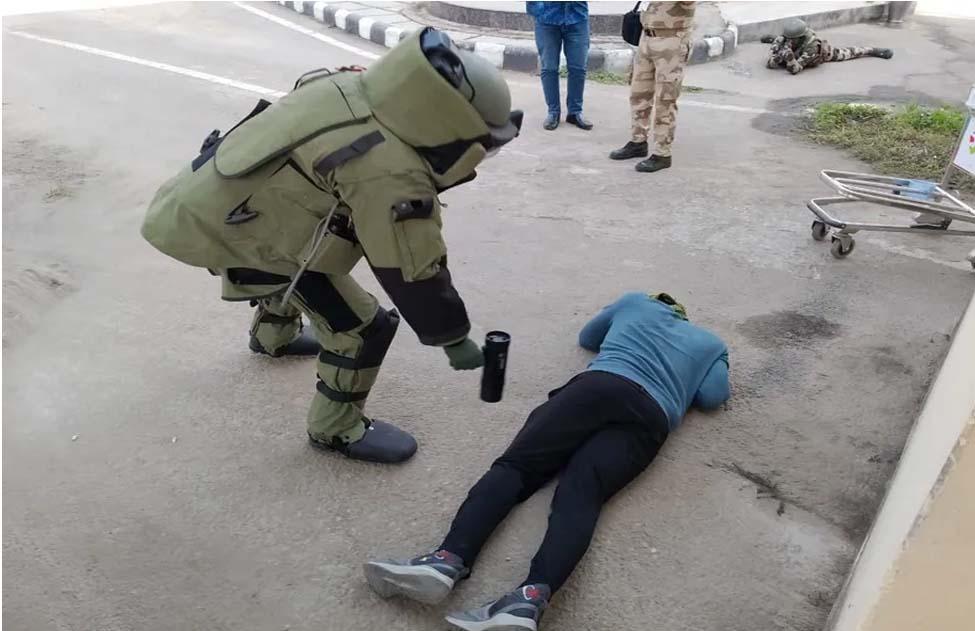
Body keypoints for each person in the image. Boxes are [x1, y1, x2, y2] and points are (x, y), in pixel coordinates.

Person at [141, 28, 523, 464]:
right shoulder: (390, 170)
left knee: (301, 258)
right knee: (363, 328)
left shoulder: (350, 83)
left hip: (208, 202)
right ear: (444, 123)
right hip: (234, 231)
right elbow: (411, 266)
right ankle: (336, 428)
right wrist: (453, 338)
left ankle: (272, 336)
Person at [364, 291, 730, 631]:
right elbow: (713, 397)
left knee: (517, 468)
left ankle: (447, 559)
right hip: (652, 416)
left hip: (597, 387)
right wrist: (706, 366)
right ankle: (528, 600)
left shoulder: (637, 302)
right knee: (582, 495)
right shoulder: (712, 344)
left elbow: (588, 337)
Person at [610, 1, 695, 173]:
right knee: (638, 94)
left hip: (672, 40)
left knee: (666, 99)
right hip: (647, 37)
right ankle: (638, 141)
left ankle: (662, 153)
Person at [526, 1, 593, 131]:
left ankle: (575, 112)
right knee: (549, 68)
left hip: (577, 16)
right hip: (547, 18)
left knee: (578, 68)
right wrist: (537, 9)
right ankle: (553, 112)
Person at [762, 18, 893, 75]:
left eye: (793, 39)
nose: (789, 41)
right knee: (779, 42)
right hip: (796, 50)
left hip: (822, 54)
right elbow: (770, 63)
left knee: (848, 53)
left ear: (800, 37)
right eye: (788, 38)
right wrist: (777, 57)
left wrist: (790, 59)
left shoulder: (811, 46)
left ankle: (872, 50)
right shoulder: (784, 38)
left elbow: (795, 70)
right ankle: (772, 39)